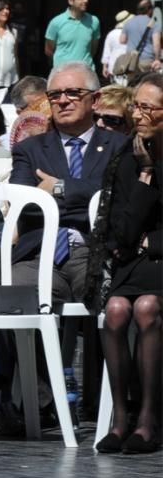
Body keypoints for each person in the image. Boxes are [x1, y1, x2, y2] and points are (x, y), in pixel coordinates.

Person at [10, 61, 128, 303]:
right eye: (55, 95)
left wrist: (59, 188)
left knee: (109, 293)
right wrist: (90, 198)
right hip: (38, 255)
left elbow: (119, 199)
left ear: (95, 100)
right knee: (12, 295)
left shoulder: (119, 146)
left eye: (73, 93)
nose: (63, 101)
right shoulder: (29, 149)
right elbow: (23, 206)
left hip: (95, 251)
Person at [90, 73, 163, 454]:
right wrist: (146, 173)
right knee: (117, 310)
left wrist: (154, 241)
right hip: (134, 260)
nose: (138, 114)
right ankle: (121, 419)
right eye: (136, 105)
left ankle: (149, 419)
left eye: (148, 108)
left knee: (148, 307)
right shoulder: (126, 157)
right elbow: (122, 230)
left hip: (159, 260)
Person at [44, 0, 101, 70]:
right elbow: (48, 50)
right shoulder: (56, 22)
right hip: (63, 74)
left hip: (86, 73)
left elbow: (93, 49)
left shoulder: (94, 21)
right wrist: (62, 63)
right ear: (71, 1)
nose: (86, 0)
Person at [119, 0, 162, 74]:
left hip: (131, 61)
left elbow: (122, 40)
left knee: (132, 85)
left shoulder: (128, 22)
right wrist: (157, 59)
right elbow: (156, 44)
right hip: (147, 60)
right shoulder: (154, 24)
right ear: (150, 10)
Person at [101, 10, 133, 80]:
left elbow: (107, 53)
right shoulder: (131, 33)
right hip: (128, 68)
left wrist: (105, 67)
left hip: (113, 69)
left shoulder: (111, 34)